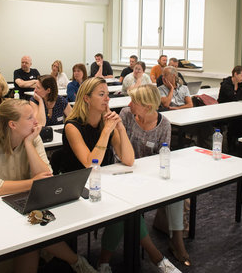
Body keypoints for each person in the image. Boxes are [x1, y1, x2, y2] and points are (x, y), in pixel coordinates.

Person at [0, 99, 97, 273]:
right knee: (33, 231)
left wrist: (28, 144)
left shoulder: (32, 138)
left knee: (35, 231)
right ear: (12, 124)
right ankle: (77, 262)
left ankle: (77, 263)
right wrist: (32, 183)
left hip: (15, 197)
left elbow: (46, 176)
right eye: (29, 118)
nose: (36, 122)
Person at [61, 79, 177, 272]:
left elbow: (129, 159)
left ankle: (105, 263)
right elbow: (91, 164)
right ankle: (155, 256)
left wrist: (120, 129)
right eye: (101, 94)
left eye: (107, 94)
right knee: (124, 210)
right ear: (86, 99)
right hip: (78, 188)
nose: (107, 98)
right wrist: (106, 131)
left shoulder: (106, 123)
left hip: (104, 184)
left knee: (126, 208)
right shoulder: (72, 126)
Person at [120, 84, 189, 268]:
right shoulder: (126, 114)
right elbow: (118, 148)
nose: (130, 104)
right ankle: (153, 249)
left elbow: (163, 155)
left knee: (176, 191)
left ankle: (177, 239)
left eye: (134, 101)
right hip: (124, 171)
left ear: (148, 107)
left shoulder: (164, 124)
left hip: (149, 174)